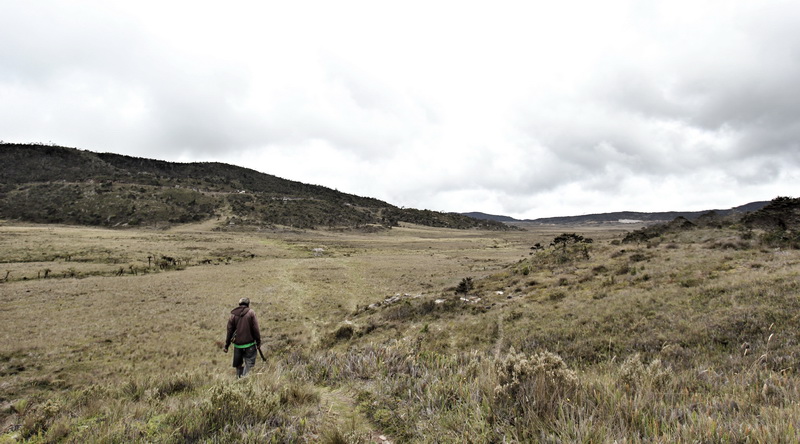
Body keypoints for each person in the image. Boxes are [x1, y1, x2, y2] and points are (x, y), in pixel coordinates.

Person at [223, 297, 261, 378]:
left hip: (237, 346)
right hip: (250, 344)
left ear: (239, 304)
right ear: (248, 304)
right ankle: (244, 380)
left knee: (238, 365)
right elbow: (256, 329)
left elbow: (229, 331)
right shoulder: (251, 313)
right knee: (249, 364)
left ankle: (238, 381)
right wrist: (258, 342)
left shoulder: (233, 315)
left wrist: (227, 345)